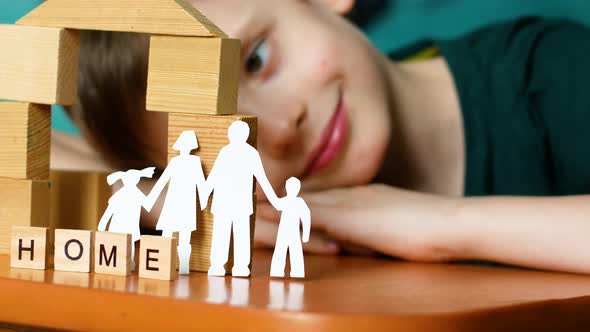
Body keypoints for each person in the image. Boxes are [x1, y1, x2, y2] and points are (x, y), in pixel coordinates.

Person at [58, 0, 590, 274]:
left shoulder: (549, 75)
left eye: (257, 60)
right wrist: (151, 196)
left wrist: (438, 224)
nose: (281, 126)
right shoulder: (256, 211)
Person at [205, 120, 281, 277]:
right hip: (227, 202)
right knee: (226, 234)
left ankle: (238, 266)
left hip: (236, 203)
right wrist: (204, 195)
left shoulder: (247, 153)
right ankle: (220, 264)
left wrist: (275, 200)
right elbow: (214, 176)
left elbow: (261, 178)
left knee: (236, 235)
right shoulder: (228, 152)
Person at [144, 130, 208, 275]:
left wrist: (204, 200)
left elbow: (200, 182)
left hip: (187, 201)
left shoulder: (195, 161)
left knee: (185, 236)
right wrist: (150, 199)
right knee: (167, 232)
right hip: (173, 199)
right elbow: (162, 181)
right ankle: (164, 261)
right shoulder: (174, 161)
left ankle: (184, 264)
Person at [98, 167, 156, 270]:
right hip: (122, 225)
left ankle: (127, 264)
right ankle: (121, 263)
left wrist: (103, 223)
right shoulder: (134, 193)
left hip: (127, 226)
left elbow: (109, 210)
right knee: (124, 245)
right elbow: (148, 204)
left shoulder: (131, 193)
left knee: (127, 245)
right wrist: (156, 190)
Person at [270, 177, 311, 278]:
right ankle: (277, 272)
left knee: (295, 251)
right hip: (283, 231)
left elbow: (306, 216)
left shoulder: (300, 202)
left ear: (298, 189)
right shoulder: (285, 201)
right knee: (280, 250)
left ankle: (297, 272)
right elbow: (276, 203)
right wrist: (269, 190)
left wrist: (306, 234)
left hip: (294, 232)